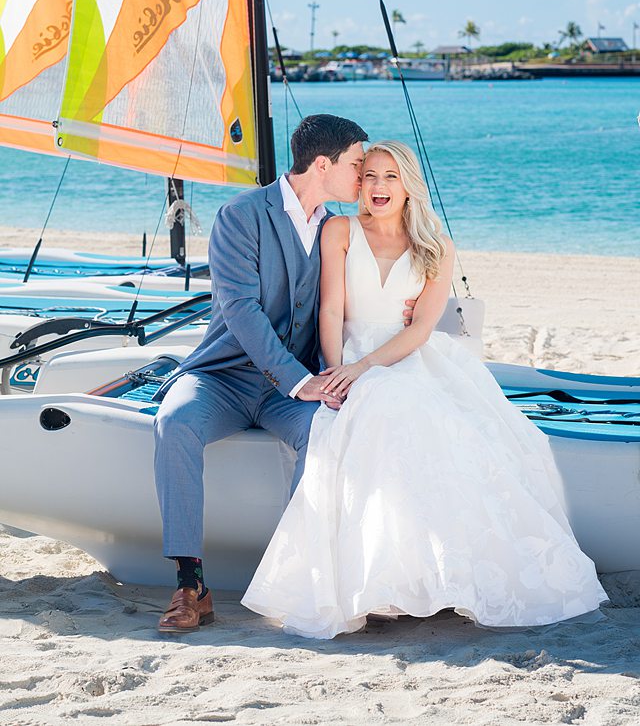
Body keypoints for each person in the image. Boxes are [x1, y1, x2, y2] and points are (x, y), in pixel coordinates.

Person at [242, 140, 607, 638]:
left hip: (406, 356)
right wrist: (336, 372)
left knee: (420, 413)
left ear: (409, 185)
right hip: (348, 356)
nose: (378, 187)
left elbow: (419, 330)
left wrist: (368, 367)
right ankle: (376, 581)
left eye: (391, 177)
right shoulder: (339, 230)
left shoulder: (436, 245)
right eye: (368, 176)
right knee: (372, 410)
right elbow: (330, 310)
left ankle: (438, 576)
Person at [153, 114, 375, 633]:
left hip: (292, 388)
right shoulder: (241, 214)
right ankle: (191, 584)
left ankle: (297, 576)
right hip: (222, 376)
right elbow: (241, 310)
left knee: (325, 431)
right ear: (324, 164)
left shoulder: (340, 228)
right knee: (175, 424)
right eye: (357, 163)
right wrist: (302, 382)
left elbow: (355, 300)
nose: (363, 176)